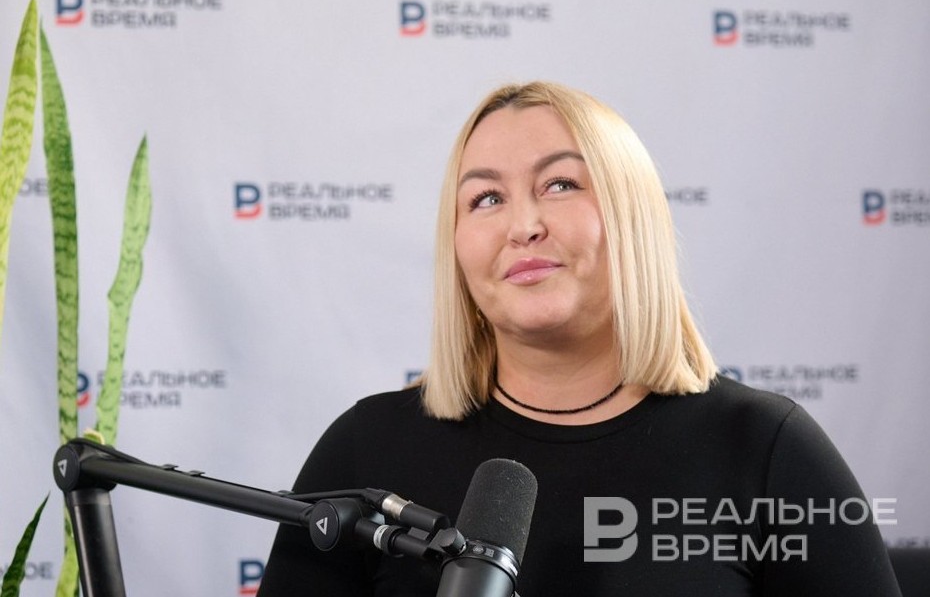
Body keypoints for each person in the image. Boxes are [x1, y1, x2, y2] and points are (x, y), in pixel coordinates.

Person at [257, 82, 902, 596]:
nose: (523, 225)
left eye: (560, 184)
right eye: (485, 198)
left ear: (633, 218)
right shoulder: (366, 450)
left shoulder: (765, 449)